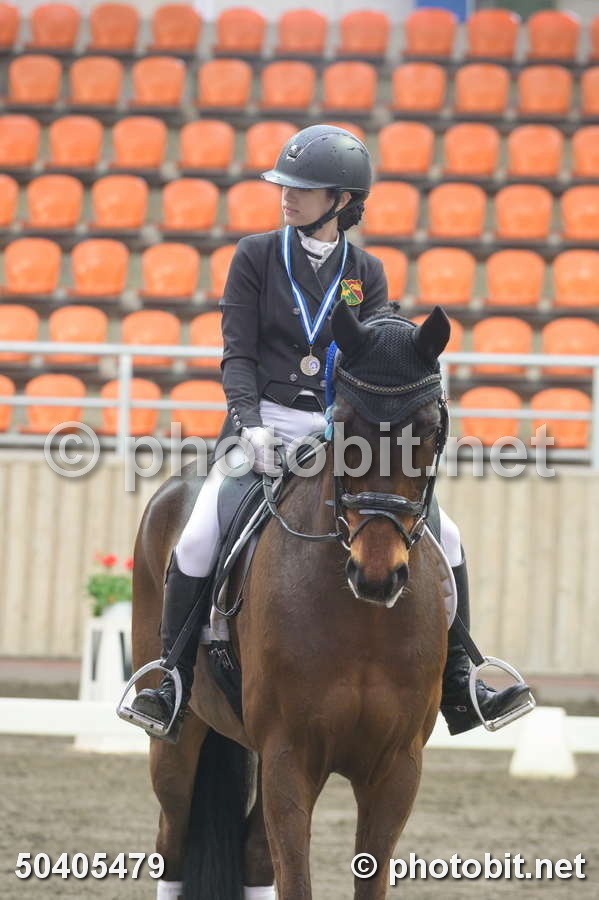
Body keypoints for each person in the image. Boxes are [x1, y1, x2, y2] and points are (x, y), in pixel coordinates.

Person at [127, 125, 532, 743]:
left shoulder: (366, 270)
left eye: (302, 188)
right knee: (200, 531)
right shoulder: (256, 256)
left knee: (445, 534)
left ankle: (459, 678)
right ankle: (171, 681)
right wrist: (251, 426)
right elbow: (237, 355)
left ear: (341, 200)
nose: (287, 197)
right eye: (284, 186)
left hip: (340, 429)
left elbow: (375, 359)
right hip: (262, 424)